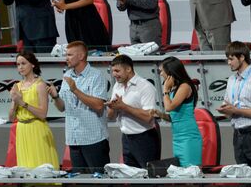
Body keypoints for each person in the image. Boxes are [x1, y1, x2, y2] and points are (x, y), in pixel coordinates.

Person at [48, 41, 109, 173]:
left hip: (93, 139)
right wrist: (55, 97)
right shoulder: (68, 75)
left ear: (81, 56)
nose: (66, 58)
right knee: (80, 181)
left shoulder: (96, 76)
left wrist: (75, 90)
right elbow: (62, 108)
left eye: (69, 55)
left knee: (100, 181)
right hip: (74, 139)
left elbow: (99, 106)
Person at [216, 41, 251, 172]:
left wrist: (236, 110)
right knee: (243, 178)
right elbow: (229, 107)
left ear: (242, 57)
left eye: (231, 59)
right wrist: (226, 110)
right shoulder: (231, 80)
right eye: (227, 59)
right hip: (238, 134)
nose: (228, 63)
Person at [106, 54, 160, 168]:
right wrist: (112, 107)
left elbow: (148, 117)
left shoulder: (145, 87)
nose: (114, 74)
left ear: (128, 69)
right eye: (113, 71)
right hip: (126, 138)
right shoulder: (117, 85)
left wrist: (123, 107)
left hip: (145, 139)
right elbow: (111, 116)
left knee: (148, 178)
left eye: (117, 71)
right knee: (131, 176)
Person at [8, 51, 59, 168]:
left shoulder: (40, 85)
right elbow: (11, 118)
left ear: (32, 65)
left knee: (40, 166)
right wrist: (14, 102)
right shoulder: (17, 86)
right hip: (22, 131)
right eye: (18, 64)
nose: (20, 67)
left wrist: (22, 102)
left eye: (23, 63)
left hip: (37, 129)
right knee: (26, 167)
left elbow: (42, 114)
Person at [150, 56, 202, 167]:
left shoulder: (185, 87)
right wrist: (159, 114)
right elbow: (173, 117)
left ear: (170, 72)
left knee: (190, 174)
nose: (160, 74)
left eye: (162, 71)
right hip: (177, 138)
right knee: (180, 174)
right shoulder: (175, 88)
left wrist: (165, 91)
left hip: (188, 137)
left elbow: (169, 107)